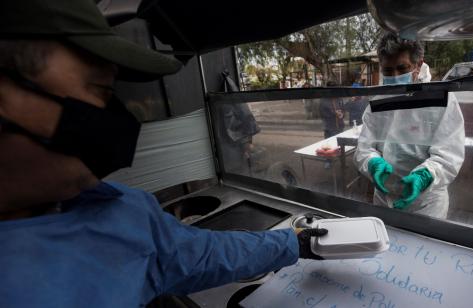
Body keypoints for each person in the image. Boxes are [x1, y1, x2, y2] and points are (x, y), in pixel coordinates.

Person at [0, 1, 327, 307]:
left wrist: (290, 244)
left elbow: (194, 254)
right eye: (99, 89)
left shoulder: (115, 208)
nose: (118, 116)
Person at [354, 32, 465, 219]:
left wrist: (425, 176)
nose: (395, 75)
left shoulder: (440, 99)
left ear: (418, 64)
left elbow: (450, 154)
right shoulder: (378, 100)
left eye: (402, 68)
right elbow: (365, 147)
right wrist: (372, 162)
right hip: (384, 195)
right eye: (388, 71)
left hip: (426, 203)